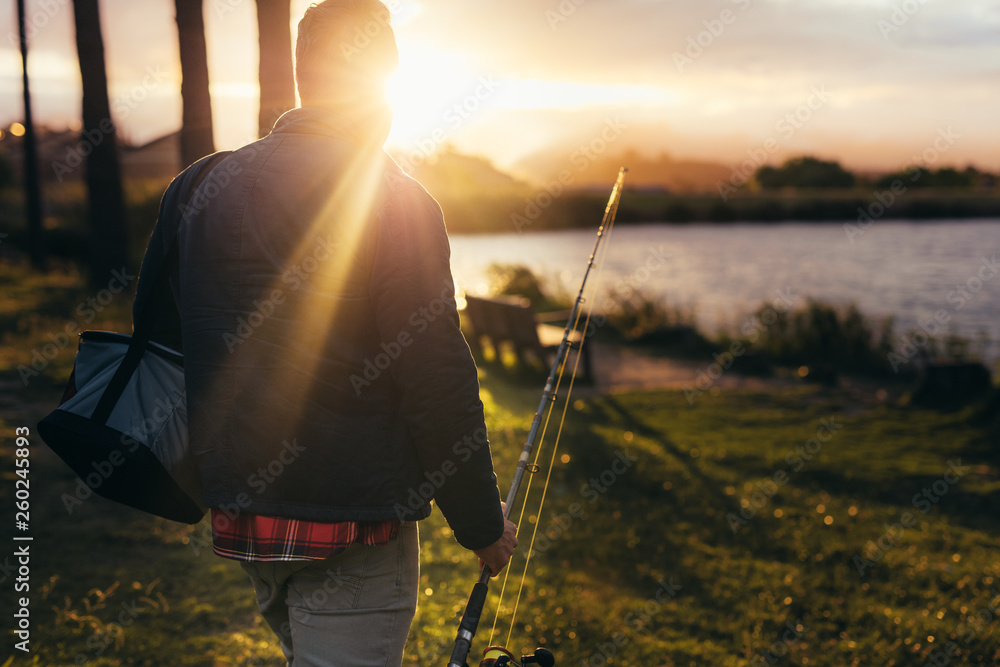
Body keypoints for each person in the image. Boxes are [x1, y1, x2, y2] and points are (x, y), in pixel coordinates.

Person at [133, 1, 517, 665]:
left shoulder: (197, 184)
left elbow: (159, 339)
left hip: (245, 518)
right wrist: (483, 526)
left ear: (305, 75)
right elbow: (435, 378)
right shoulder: (397, 201)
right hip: (353, 524)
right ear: (386, 82)